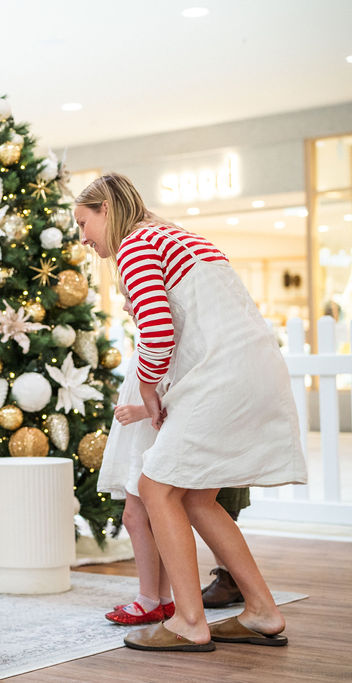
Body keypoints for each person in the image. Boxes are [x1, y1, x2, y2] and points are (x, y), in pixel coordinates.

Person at [75, 173, 307, 652]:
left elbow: (157, 334)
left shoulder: (136, 244)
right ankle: (263, 611)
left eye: (83, 223)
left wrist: (146, 385)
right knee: (198, 497)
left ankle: (187, 621)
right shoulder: (178, 236)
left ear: (106, 209)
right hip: (252, 368)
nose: (83, 237)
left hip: (223, 377)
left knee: (155, 486)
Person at [97, 312, 175, 626]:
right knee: (156, 521)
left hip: (150, 440)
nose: (128, 305)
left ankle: (148, 599)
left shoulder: (162, 339)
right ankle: (163, 597)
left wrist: (141, 410)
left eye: (130, 296)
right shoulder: (148, 337)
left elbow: (174, 392)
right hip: (141, 441)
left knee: (135, 516)